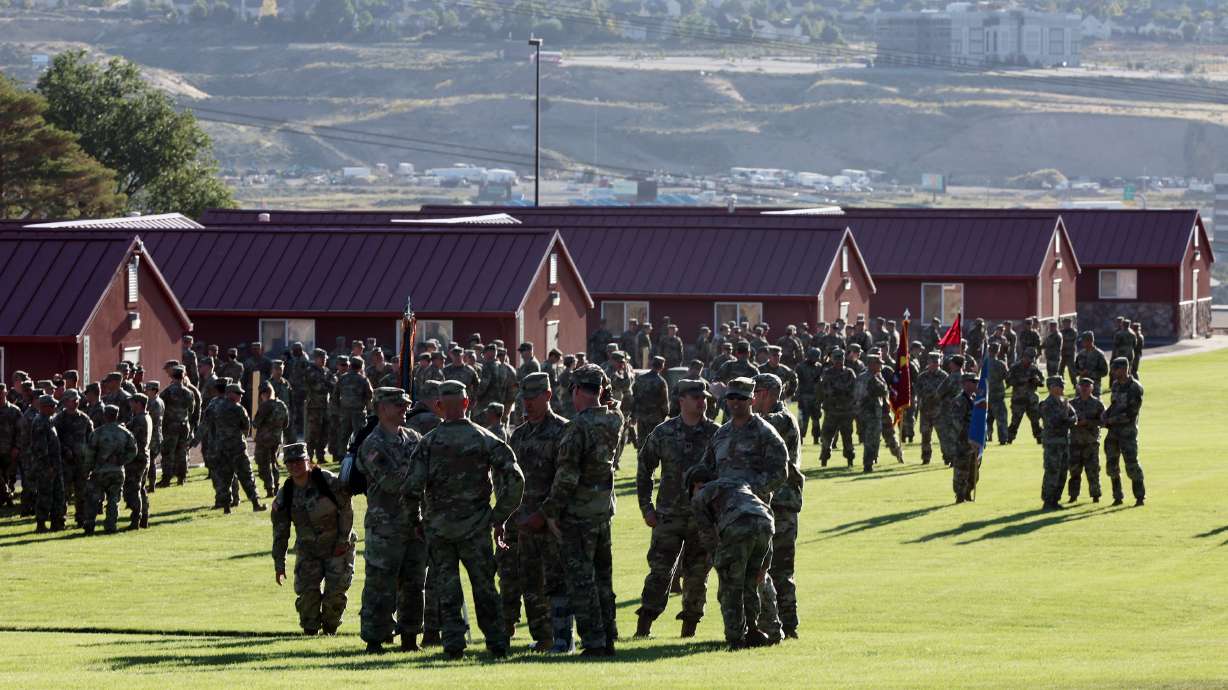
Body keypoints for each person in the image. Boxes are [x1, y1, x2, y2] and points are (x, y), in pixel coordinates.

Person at [403, 380, 524, 660]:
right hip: (476, 527)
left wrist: (417, 521)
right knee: (484, 588)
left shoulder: (428, 443)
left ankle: (454, 643)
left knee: (447, 589)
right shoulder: (485, 438)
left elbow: (411, 488)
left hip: (439, 529)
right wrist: (498, 516)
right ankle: (496, 642)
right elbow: (515, 478)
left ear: (439, 406)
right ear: (467, 403)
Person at [539, 364, 623, 657]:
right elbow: (614, 406)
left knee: (582, 582)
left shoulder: (577, 427)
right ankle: (608, 635)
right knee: (603, 579)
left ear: (576, 390)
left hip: (578, 514)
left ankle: (594, 641)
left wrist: (550, 511)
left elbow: (567, 476)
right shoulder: (614, 419)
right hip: (602, 510)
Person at [634, 379, 718, 640]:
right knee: (660, 573)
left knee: (697, 576)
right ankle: (643, 629)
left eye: (704, 397)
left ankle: (688, 632)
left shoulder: (716, 434)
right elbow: (644, 469)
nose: (702, 402)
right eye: (696, 397)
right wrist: (646, 508)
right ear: (681, 400)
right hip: (668, 516)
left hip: (703, 518)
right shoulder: (664, 432)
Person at [356, 387, 426, 654]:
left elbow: (429, 468)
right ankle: (375, 639)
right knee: (380, 584)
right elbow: (391, 482)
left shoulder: (413, 438)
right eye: (399, 405)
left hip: (414, 523)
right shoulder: (372, 444)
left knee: (414, 583)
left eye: (406, 404)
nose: (404, 409)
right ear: (382, 408)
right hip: (385, 527)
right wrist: (419, 476)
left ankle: (410, 637)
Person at [508, 373, 571, 652]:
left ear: (547, 395)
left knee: (557, 581)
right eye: (524, 398)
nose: (528, 403)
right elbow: (511, 481)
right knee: (530, 582)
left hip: (554, 522)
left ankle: (563, 639)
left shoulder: (564, 431)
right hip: (524, 522)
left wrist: (544, 515)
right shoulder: (519, 435)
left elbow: (565, 480)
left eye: (533, 397)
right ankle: (543, 638)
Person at [686, 465, 774, 652]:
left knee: (730, 588)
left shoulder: (699, 497)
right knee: (750, 584)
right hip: (765, 523)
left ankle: (736, 638)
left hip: (737, 526)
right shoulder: (738, 483)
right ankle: (753, 631)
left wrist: (718, 561)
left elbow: (707, 535)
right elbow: (763, 515)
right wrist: (764, 566)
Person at [272, 443, 355, 636]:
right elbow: (280, 532)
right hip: (308, 550)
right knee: (307, 594)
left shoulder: (326, 481)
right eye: (290, 462)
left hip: (337, 547)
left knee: (336, 593)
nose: (295, 466)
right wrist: (279, 564)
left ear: (308, 461)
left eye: (299, 461)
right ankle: (310, 631)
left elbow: (346, 509)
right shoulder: (286, 493)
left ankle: (330, 630)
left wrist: (343, 540)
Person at [751, 373, 803, 639]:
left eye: (754, 393)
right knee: (764, 567)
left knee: (780, 568)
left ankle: (788, 625)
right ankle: (767, 623)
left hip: (781, 504)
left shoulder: (780, 419)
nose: (751, 399)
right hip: (768, 502)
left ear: (766, 394)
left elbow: (752, 427)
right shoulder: (770, 418)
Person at [210, 383, 267, 514]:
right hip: (237, 448)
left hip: (221, 448)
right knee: (246, 475)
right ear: (230, 394)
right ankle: (256, 504)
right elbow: (246, 426)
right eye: (238, 393)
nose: (241, 396)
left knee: (224, 478)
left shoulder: (216, 407)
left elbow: (210, 426)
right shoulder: (238, 408)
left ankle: (226, 507)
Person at [81, 404, 134, 534]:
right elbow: (133, 450)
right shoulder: (125, 433)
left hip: (99, 472)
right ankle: (111, 525)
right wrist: (122, 461)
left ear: (105, 416)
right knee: (113, 499)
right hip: (117, 471)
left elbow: (90, 454)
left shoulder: (97, 433)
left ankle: (89, 524)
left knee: (94, 499)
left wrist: (86, 470)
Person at [1103, 357, 1146, 507]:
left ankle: (1140, 497)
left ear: (1124, 369)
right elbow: (1114, 405)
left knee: (1131, 464)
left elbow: (1131, 413)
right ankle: (1117, 496)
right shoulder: (1115, 385)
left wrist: (1111, 420)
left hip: (1127, 433)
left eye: (1115, 369)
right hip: (1113, 432)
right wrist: (1105, 414)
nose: (1113, 372)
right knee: (1112, 464)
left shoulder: (1135, 387)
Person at [53, 389, 93, 527]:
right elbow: (55, 440)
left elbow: (91, 439)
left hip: (81, 463)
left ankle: (81, 519)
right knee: (63, 493)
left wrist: (89, 457)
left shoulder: (84, 419)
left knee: (82, 492)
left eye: (77, 400)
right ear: (65, 402)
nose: (75, 402)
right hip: (65, 463)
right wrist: (65, 451)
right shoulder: (59, 419)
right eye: (72, 400)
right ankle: (60, 520)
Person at [1038, 377, 1077, 511]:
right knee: (1052, 472)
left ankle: (1055, 500)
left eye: (1062, 385)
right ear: (1051, 387)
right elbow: (1053, 422)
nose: (1062, 388)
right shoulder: (1046, 404)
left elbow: (1074, 417)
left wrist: (1067, 419)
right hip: (1052, 443)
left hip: (1064, 442)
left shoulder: (1064, 402)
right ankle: (1048, 501)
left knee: (1062, 472)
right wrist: (1066, 418)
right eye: (1059, 386)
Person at [30, 395, 66, 532]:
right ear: (44, 407)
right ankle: (41, 523)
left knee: (57, 494)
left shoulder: (49, 420)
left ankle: (56, 523)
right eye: (52, 406)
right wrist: (48, 465)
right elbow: (41, 448)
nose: (54, 408)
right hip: (46, 467)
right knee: (45, 494)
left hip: (54, 465)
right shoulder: (40, 422)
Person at [157, 366, 196, 487]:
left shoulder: (167, 392)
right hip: (184, 425)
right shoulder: (189, 392)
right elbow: (192, 409)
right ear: (183, 376)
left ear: (173, 376)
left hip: (170, 426)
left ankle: (166, 479)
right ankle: (181, 478)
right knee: (182, 452)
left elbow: (161, 407)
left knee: (168, 453)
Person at [1067, 378, 1105, 504]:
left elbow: (1104, 421)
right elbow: (1065, 420)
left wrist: (1088, 422)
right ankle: (1073, 496)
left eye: (1087, 386)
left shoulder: (1097, 404)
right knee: (1074, 471)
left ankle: (1095, 496)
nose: (1084, 389)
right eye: (1082, 386)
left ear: (1092, 388)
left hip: (1091, 443)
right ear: (1078, 387)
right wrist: (1073, 423)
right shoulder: (1071, 403)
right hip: (1075, 442)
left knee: (1093, 471)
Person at [819, 349, 857, 467]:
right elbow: (826, 389)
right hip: (832, 411)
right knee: (827, 436)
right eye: (837, 360)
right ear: (833, 360)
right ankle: (824, 459)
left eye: (841, 359)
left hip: (846, 411)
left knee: (847, 437)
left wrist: (840, 391)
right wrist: (839, 391)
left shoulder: (849, 373)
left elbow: (853, 389)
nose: (839, 362)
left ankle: (850, 460)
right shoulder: (827, 373)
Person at [946, 373, 979, 503]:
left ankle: (968, 493)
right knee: (961, 470)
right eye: (973, 382)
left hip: (975, 441)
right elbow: (957, 422)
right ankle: (960, 495)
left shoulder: (976, 399)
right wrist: (969, 436)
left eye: (976, 382)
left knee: (974, 470)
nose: (976, 384)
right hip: (963, 442)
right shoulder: (960, 400)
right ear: (965, 383)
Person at [253, 382, 290, 497]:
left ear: (263, 394)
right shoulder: (282, 405)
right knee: (273, 462)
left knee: (263, 464)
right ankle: (276, 486)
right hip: (277, 439)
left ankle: (270, 488)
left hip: (264, 440)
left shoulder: (265, 406)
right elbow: (286, 424)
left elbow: (256, 423)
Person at [856, 354, 891, 473]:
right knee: (872, 440)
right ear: (871, 364)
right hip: (870, 412)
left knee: (871, 439)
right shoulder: (871, 378)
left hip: (867, 412)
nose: (880, 366)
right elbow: (883, 390)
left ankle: (870, 462)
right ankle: (868, 464)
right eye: (878, 364)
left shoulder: (864, 377)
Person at [123, 394, 152, 530]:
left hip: (137, 459)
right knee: (141, 489)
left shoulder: (139, 419)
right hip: (144, 457)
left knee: (134, 489)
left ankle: (136, 519)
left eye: (132, 402)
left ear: (138, 404)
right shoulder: (146, 417)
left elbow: (131, 437)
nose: (130, 405)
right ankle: (144, 518)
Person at [1006, 348, 1044, 445]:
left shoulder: (1034, 368)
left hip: (1032, 399)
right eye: (1028, 358)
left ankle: (1039, 438)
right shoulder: (1015, 367)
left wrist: (1037, 381)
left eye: (1032, 358)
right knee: (1015, 421)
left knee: (1035, 420)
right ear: (1024, 356)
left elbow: (1042, 381)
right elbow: (1009, 381)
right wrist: (1022, 381)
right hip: (1018, 399)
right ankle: (1009, 438)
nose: (1030, 361)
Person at [631, 356, 669, 450]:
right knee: (654, 443)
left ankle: (641, 459)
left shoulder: (640, 379)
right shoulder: (661, 382)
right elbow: (665, 404)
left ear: (652, 364)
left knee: (642, 442)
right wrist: (664, 415)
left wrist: (634, 414)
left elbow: (634, 397)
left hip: (641, 416)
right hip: (655, 417)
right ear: (662, 367)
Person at [304, 348, 333, 464]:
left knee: (324, 433)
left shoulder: (326, 371)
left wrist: (328, 384)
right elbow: (318, 387)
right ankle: (309, 457)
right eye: (323, 358)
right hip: (314, 407)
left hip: (325, 406)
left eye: (325, 358)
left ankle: (321, 456)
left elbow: (334, 384)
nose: (325, 360)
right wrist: (327, 384)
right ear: (316, 359)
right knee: (313, 434)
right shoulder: (310, 371)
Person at [0, 384, 22, 508]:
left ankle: (7, 497)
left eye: (1, 392)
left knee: (9, 477)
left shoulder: (14, 410)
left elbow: (21, 431)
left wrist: (17, 447)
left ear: (6, 393)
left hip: (10, 450)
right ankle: (6, 496)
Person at [795, 348, 823, 445]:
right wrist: (799, 396)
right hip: (804, 396)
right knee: (803, 420)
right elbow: (797, 382)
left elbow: (820, 382)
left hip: (815, 397)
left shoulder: (819, 367)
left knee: (816, 419)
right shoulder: (800, 367)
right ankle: (800, 439)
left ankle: (816, 438)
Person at [1074, 331, 1109, 396]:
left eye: (1083, 341)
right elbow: (1075, 369)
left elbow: (1105, 372)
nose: (1082, 343)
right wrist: (1080, 372)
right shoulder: (1081, 354)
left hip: (1094, 387)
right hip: (1081, 387)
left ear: (1089, 341)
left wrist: (1090, 373)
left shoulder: (1099, 354)